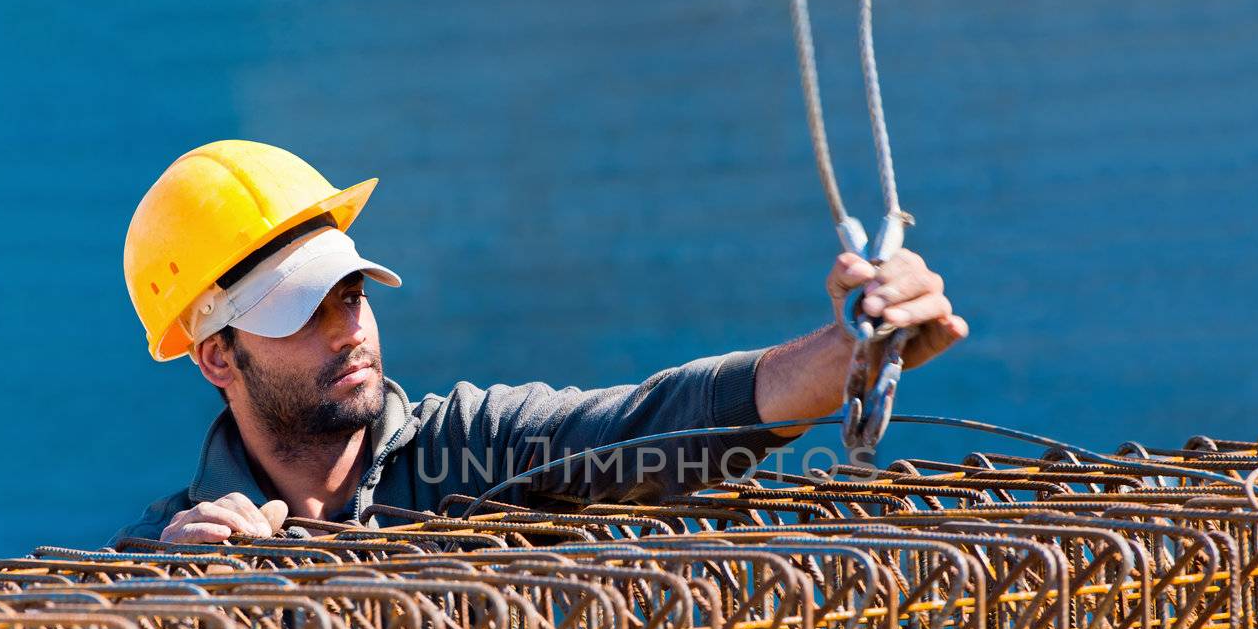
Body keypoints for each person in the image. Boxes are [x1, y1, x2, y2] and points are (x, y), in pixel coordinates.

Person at [112, 140, 967, 544]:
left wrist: (844, 354)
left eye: (351, 293)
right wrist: (178, 613)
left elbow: (651, 428)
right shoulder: (169, 551)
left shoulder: (472, 451)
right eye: (301, 312)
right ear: (218, 356)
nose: (349, 328)